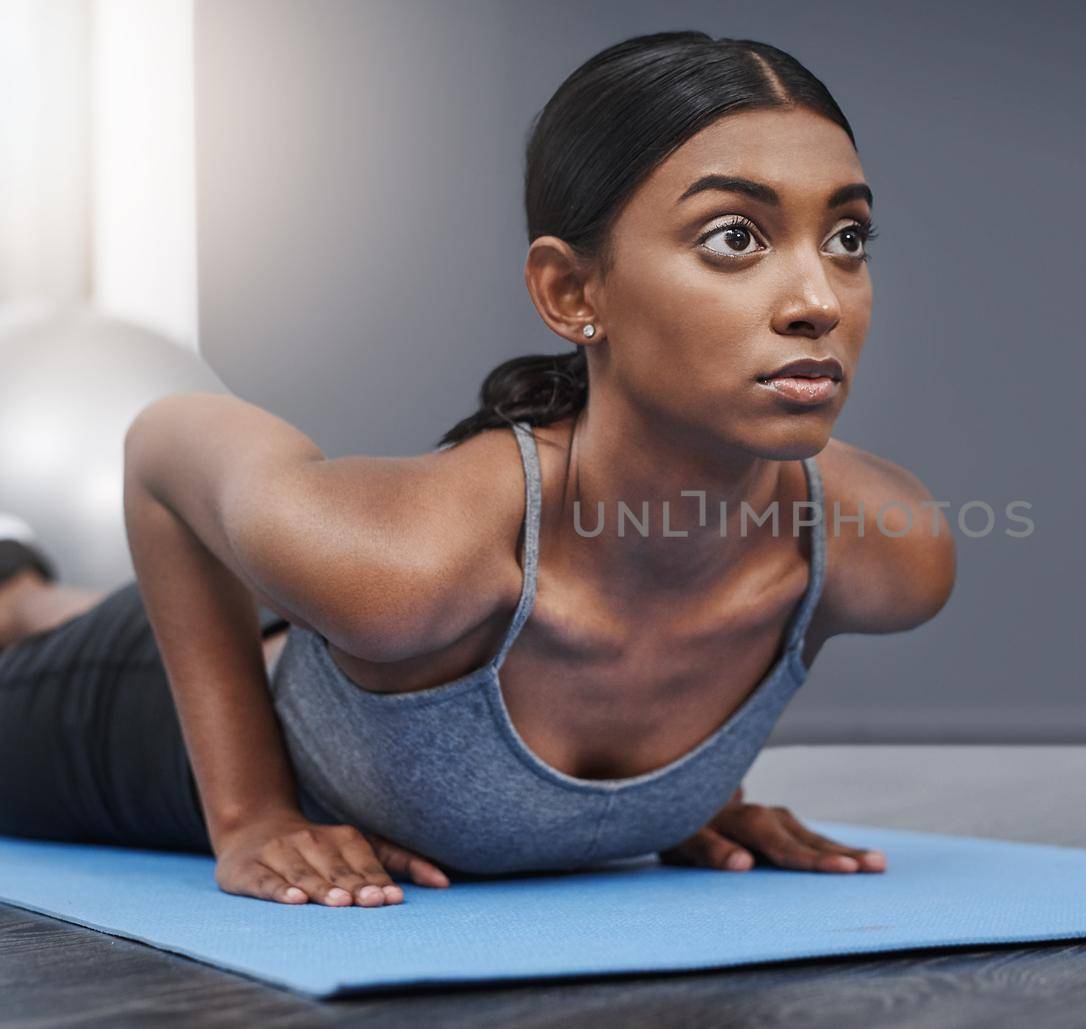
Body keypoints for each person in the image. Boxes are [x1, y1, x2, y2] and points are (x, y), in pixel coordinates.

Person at [0, 30, 954, 908]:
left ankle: (29, 584)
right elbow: (166, 441)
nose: (818, 299)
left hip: (316, 622)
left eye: (847, 237)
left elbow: (658, 616)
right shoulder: (414, 564)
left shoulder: (883, 549)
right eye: (734, 237)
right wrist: (251, 812)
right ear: (572, 291)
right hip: (139, 705)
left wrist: (662, 799)